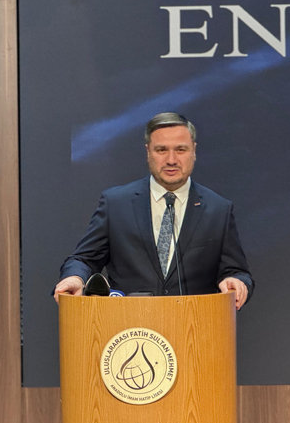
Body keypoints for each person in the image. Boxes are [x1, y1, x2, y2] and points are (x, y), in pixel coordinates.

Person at [54, 112, 254, 309]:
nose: (171, 160)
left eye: (181, 150)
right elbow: (84, 259)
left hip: (193, 324)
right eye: (161, 150)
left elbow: (236, 271)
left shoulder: (218, 209)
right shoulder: (116, 204)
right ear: (148, 151)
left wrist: (237, 282)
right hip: (130, 323)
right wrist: (75, 277)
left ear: (194, 151)